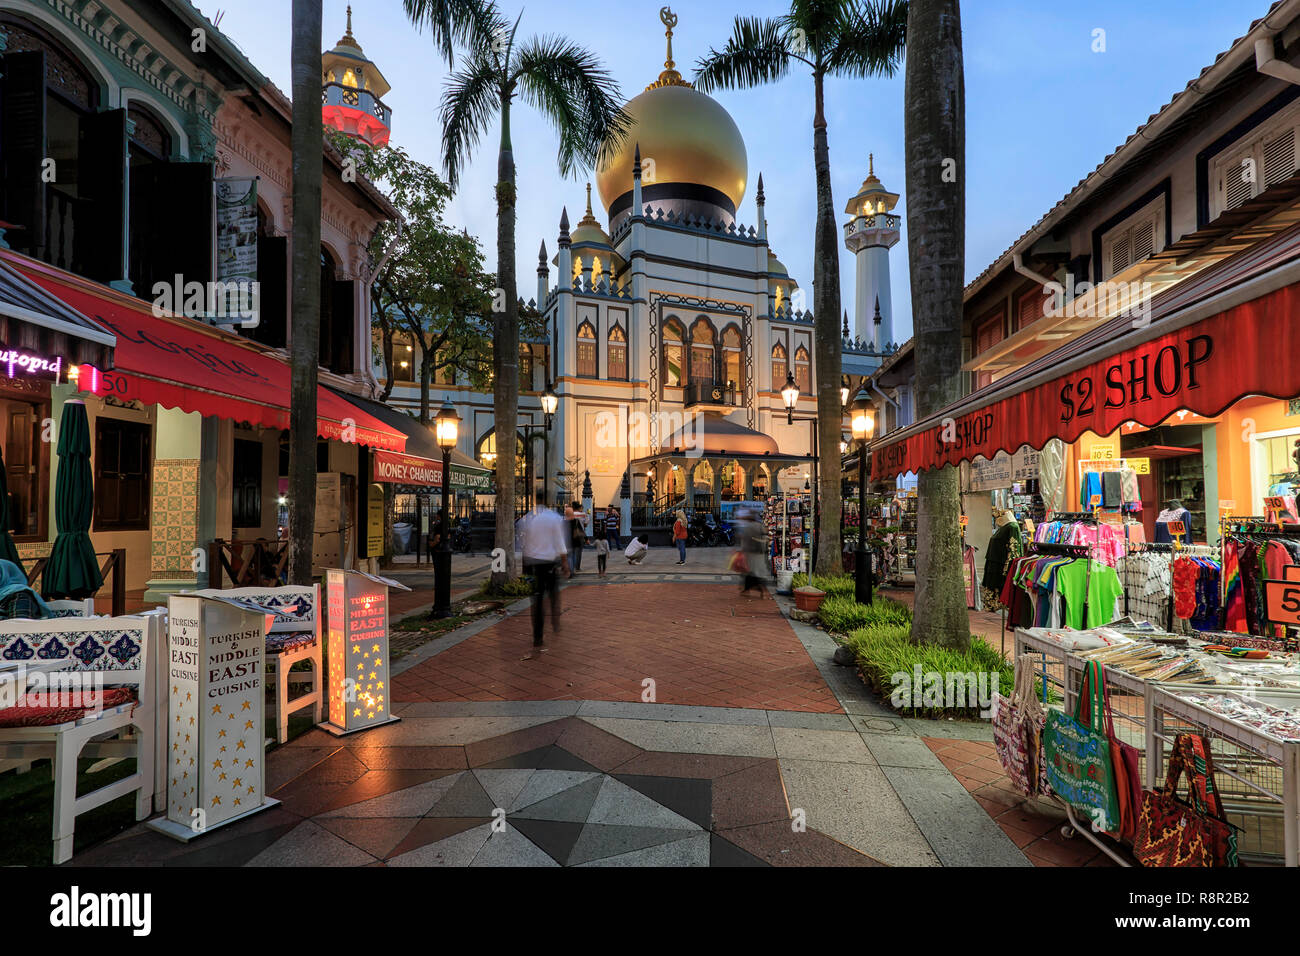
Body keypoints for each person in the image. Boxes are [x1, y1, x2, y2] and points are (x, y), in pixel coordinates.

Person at [517, 491, 570, 648]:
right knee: (554, 595)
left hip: (535, 563)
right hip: (550, 563)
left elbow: (523, 542)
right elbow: (560, 542)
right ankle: (555, 621)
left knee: (537, 600)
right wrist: (565, 563)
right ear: (548, 500)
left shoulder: (528, 518)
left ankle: (537, 636)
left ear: (536, 500)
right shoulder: (554, 518)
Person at [732, 508, 766, 597]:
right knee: (757, 571)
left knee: (749, 571)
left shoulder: (749, 527)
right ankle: (758, 588)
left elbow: (745, 540)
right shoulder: (760, 526)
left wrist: (742, 550)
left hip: (751, 553)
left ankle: (749, 589)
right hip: (760, 552)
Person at [568, 500, 587, 576]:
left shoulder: (569, 514)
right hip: (580, 534)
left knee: (571, 552)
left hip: (570, 534)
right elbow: (585, 524)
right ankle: (577, 567)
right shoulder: (583, 514)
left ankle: (571, 567)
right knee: (578, 552)